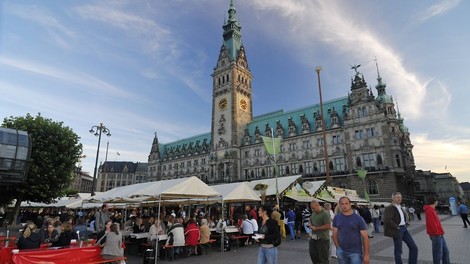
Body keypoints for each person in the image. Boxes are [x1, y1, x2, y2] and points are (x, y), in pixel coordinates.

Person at [383, 192, 418, 264]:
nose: (400, 199)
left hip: (404, 228)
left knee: (413, 247)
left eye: (400, 197)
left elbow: (400, 217)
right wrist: (396, 227)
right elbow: (387, 219)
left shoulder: (400, 207)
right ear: (393, 198)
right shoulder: (390, 208)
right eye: (397, 197)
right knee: (398, 251)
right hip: (397, 230)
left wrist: (405, 222)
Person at [332, 197, 370, 264]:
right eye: (342, 204)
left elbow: (365, 238)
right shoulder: (337, 218)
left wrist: (366, 255)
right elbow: (334, 234)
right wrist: (338, 248)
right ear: (339, 205)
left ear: (350, 204)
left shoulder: (358, 219)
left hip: (355, 252)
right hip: (341, 251)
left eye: (346, 203)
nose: (344, 206)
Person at [424, 196, 450, 264]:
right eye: (437, 201)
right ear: (435, 202)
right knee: (438, 254)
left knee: (445, 251)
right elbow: (432, 224)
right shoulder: (429, 211)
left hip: (439, 234)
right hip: (436, 235)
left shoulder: (432, 210)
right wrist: (437, 233)